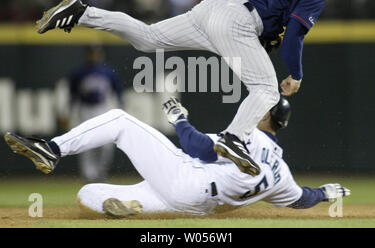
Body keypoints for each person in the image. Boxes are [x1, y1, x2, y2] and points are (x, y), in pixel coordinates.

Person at [34, 0, 362, 176]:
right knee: (266, 90)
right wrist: (297, 74)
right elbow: (293, 39)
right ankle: (234, 138)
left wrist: (240, 14)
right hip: (237, 21)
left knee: (147, 38)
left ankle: (81, 12)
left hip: (215, 7)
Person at [3, 97, 350, 217]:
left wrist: (178, 119)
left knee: (122, 121)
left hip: (186, 178)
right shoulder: (282, 174)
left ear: (264, 114)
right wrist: (324, 193)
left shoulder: (249, 135)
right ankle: (123, 208)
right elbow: (301, 200)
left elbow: (197, 148)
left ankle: (52, 149)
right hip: (191, 206)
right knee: (88, 193)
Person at [59, 45, 122, 182]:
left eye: (97, 53)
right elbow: (72, 96)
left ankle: (101, 174)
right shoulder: (79, 72)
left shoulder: (107, 71)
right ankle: (88, 176)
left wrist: (121, 109)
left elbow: (118, 93)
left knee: (106, 144)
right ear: (87, 54)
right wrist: (67, 113)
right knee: (86, 143)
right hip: (85, 109)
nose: (94, 55)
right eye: (92, 53)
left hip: (103, 108)